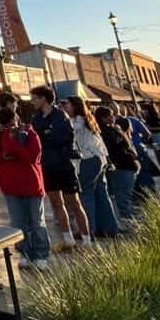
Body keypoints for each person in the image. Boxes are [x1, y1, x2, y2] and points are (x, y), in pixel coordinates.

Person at [29, 85, 92, 251]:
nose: (32, 101)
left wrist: (46, 135)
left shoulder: (60, 115)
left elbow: (59, 137)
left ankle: (87, 240)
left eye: (35, 98)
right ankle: (68, 239)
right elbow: (36, 139)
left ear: (44, 98)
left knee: (74, 203)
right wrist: (45, 133)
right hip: (47, 166)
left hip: (64, 165)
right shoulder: (36, 118)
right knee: (56, 203)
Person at [0, 106, 50, 270]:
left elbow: (32, 157)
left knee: (37, 222)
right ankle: (26, 253)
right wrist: (10, 152)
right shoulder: (0, 136)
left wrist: (14, 147)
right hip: (11, 186)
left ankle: (41, 255)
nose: (9, 124)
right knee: (19, 224)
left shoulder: (29, 133)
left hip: (31, 185)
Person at [67, 96, 119, 238]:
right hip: (99, 158)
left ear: (75, 106)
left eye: (67, 104)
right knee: (101, 194)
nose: (64, 107)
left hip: (88, 159)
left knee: (87, 195)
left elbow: (72, 132)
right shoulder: (88, 118)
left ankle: (89, 230)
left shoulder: (77, 121)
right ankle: (109, 229)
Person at [97, 106, 140, 223]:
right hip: (121, 165)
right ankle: (126, 219)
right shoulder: (107, 133)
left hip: (126, 164)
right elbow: (116, 148)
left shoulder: (113, 129)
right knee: (122, 195)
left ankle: (125, 218)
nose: (113, 117)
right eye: (110, 115)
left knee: (123, 195)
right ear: (103, 118)